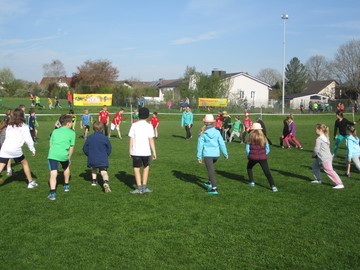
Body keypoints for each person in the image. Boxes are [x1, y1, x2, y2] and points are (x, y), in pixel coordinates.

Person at [0, 108, 37, 188]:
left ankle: (30, 182)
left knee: (1, 165)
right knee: (24, 163)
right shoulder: (24, 126)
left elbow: (7, 137)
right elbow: (29, 140)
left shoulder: (9, 125)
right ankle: (30, 183)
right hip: (15, 149)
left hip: (5, 148)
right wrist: (33, 150)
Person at [197, 114, 228, 194]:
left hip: (208, 155)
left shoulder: (203, 133)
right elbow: (222, 144)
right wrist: (225, 154)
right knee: (210, 168)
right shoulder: (217, 132)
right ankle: (210, 182)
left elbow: (200, 146)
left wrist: (199, 157)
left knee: (211, 171)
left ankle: (214, 188)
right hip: (216, 155)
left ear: (205, 122)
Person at [128, 107, 157, 194]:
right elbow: (151, 139)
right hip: (146, 152)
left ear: (139, 115)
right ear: (148, 116)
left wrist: (130, 150)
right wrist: (154, 152)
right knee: (146, 167)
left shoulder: (134, 125)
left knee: (136, 168)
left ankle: (139, 188)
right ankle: (144, 187)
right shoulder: (149, 126)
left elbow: (131, 139)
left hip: (136, 151)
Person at [47, 114, 76, 200]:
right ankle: (66, 185)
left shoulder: (55, 131)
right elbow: (72, 147)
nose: (71, 124)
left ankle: (52, 193)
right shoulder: (72, 133)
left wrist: (53, 151)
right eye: (71, 122)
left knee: (53, 172)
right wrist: (69, 157)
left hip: (53, 154)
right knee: (66, 167)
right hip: (64, 154)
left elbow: (50, 143)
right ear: (68, 124)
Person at [246, 123, 278, 192]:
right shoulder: (263, 137)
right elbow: (268, 149)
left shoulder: (250, 136)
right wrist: (264, 154)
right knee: (267, 172)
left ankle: (251, 182)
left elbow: (247, 149)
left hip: (253, 157)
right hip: (263, 158)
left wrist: (248, 155)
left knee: (249, 167)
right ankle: (273, 186)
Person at [311, 123, 344, 189]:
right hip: (322, 157)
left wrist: (313, 155)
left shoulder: (320, 139)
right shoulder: (325, 137)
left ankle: (340, 184)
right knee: (315, 165)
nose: (315, 130)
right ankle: (318, 180)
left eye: (316, 129)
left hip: (325, 158)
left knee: (329, 170)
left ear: (320, 130)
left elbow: (316, 149)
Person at [83, 121, 112, 192]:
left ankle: (94, 181)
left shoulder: (90, 137)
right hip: (102, 157)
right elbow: (109, 148)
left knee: (93, 168)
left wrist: (89, 154)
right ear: (102, 128)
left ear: (93, 128)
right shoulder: (104, 138)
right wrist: (106, 154)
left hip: (92, 157)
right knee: (103, 171)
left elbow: (84, 148)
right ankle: (105, 181)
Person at [0, 110, 13, 175]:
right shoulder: (7, 129)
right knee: (8, 155)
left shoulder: (4, 121)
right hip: (4, 143)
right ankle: (9, 169)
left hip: (2, 142)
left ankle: (9, 169)